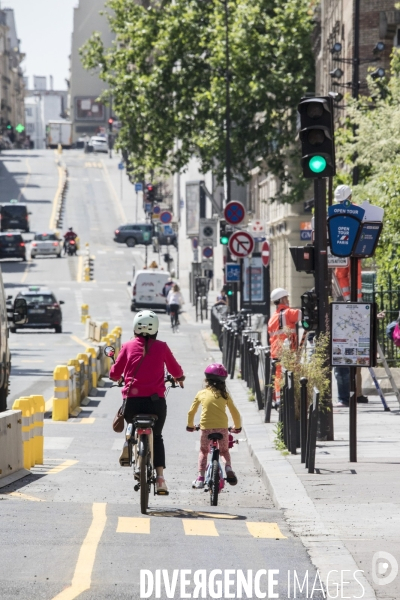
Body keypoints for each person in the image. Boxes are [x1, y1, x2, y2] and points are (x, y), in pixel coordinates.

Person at [109, 309, 185, 494]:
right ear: (156, 329)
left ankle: (129, 441)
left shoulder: (127, 346)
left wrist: (119, 376)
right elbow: (176, 370)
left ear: (135, 327)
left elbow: (114, 374)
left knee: (131, 422)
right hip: (155, 403)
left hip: (132, 403)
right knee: (157, 437)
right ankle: (160, 479)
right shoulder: (162, 347)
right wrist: (180, 378)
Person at [332, 184, 368, 406]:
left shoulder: (333, 217)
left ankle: (357, 392)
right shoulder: (355, 214)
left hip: (346, 296)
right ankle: (354, 392)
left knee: (354, 348)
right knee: (355, 348)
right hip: (351, 299)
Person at [187, 363, 242, 489]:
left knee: (204, 451)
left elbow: (191, 412)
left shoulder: (201, 393)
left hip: (205, 427)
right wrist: (237, 427)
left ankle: (200, 478)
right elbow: (235, 412)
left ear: (206, 379)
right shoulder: (225, 395)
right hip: (222, 428)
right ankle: (228, 468)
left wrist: (190, 425)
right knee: (224, 451)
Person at [267, 288, 302, 407]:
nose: (288, 300)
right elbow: (302, 314)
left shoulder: (272, 318)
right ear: (282, 299)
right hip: (287, 351)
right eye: (286, 298)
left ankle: (278, 399)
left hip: (275, 352)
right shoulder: (287, 313)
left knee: (278, 376)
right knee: (291, 374)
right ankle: (290, 400)